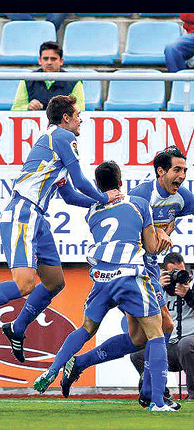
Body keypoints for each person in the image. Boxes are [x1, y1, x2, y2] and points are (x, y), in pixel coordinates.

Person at [0, 95, 122, 361]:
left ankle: (17, 328)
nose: (81, 119)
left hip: (36, 217)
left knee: (55, 282)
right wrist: (103, 198)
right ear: (65, 118)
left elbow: (69, 196)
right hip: (23, 212)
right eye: (77, 115)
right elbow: (80, 181)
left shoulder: (54, 145)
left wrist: (97, 206)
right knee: (25, 284)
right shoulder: (63, 138)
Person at [32, 161, 178, 412]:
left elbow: (70, 196)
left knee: (88, 328)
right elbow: (152, 248)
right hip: (130, 275)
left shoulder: (92, 210)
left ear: (98, 186)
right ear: (121, 182)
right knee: (157, 332)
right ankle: (157, 401)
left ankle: (53, 369)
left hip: (101, 277)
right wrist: (165, 233)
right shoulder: (139, 203)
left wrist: (61, 177)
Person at [58, 146, 193, 403]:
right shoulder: (141, 195)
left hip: (148, 267)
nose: (182, 175)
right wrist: (158, 233)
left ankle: (80, 364)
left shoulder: (182, 196)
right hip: (136, 268)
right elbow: (135, 230)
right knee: (163, 327)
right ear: (160, 171)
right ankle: (151, 390)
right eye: (177, 170)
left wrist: (169, 227)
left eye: (185, 170)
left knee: (139, 337)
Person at [130, 252, 194, 400]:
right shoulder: (156, 288)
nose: (178, 276)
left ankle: (193, 394)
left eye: (181, 271)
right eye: (173, 273)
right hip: (169, 347)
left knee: (186, 344)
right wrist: (155, 289)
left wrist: (188, 294)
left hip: (190, 344)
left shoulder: (191, 285)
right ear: (164, 273)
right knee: (138, 355)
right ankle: (159, 393)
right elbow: (143, 312)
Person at [11, 41, 85, 112]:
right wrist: (28, 107)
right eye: (45, 59)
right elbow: (15, 109)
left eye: (53, 59)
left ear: (61, 61)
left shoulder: (74, 81)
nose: (49, 62)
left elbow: (80, 110)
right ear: (40, 60)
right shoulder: (27, 80)